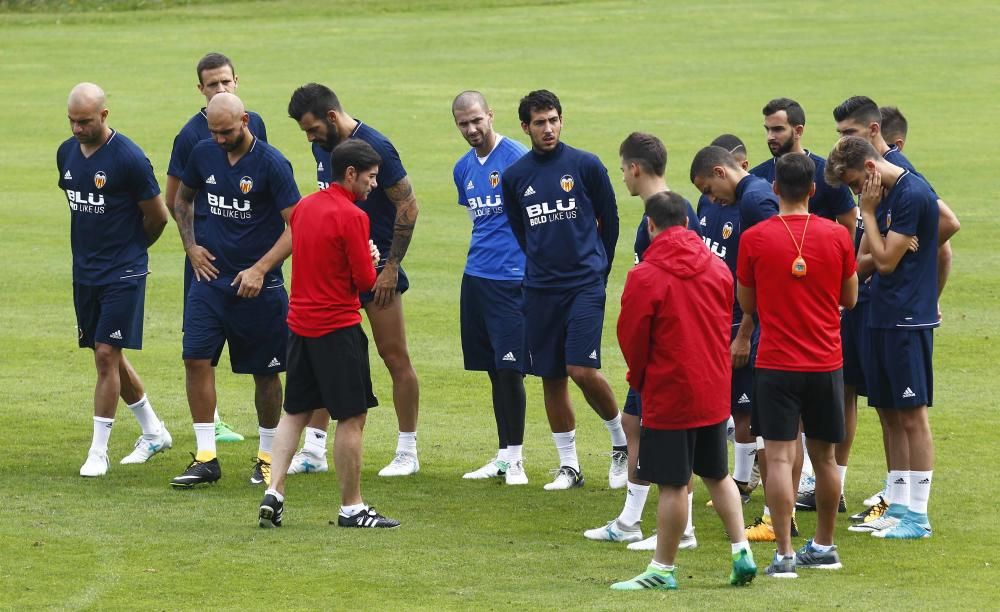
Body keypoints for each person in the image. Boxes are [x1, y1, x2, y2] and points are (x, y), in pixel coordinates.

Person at [611, 192, 756, 590]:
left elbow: (632, 336)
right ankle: (741, 550)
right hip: (712, 388)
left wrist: (640, 377)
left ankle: (662, 569)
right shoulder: (717, 267)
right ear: (689, 224)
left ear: (650, 226)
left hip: (671, 390)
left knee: (674, 484)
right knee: (718, 474)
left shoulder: (644, 275)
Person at [259, 139, 399, 529]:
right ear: (350, 173)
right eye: (370, 178)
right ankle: (352, 507)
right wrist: (371, 259)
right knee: (352, 417)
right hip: (337, 329)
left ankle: (274, 491)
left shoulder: (305, 207)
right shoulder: (353, 217)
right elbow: (365, 281)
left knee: (294, 413)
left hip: (299, 327)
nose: (373, 186)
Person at [286, 83, 422, 477]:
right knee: (327, 359)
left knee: (394, 356)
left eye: (312, 129)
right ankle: (313, 450)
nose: (310, 139)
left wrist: (391, 267)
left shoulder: (377, 146)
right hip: (334, 272)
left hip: (377, 269)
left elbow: (408, 205)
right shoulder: (323, 147)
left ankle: (407, 451)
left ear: (331, 117)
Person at [832, 96, 958, 520]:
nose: (855, 194)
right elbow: (867, 258)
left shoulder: (905, 187)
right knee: (888, 409)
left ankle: (914, 513)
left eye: (849, 132)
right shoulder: (881, 188)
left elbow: (939, 231)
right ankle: (896, 502)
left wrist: (906, 259)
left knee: (909, 413)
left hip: (905, 311)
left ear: (872, 135)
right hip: (879, 309)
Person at [169, 93, 300, 488]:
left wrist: (261, 269)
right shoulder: (203, 153)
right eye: (214, 131)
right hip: (210, 283)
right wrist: (191, 246)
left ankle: (266, 456)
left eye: (226, 131)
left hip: (259, 289)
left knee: (265, 373)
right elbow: (182, 200)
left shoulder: (273, 164)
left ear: (244, 120)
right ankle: (207, 457)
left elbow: (298, 226)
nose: (220, 139)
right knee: (195, 359)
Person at [737, 152, 858, 577]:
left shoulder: (754, 238)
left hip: (775, 363)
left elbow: (747, 303)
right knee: (823, 459)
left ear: (774, 190)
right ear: (812, 190)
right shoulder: (838, 236)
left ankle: (784, 553)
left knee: (780, 455)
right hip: (825, 361)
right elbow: (850, 298)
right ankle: (825, 545)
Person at [501, 89, 627, 490]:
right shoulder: (516, 176)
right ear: (526, 127)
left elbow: (610, 216)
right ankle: (569, 466)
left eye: (554, 119)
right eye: (540, 122)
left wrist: (599, 268)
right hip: (539, 289)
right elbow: (522, 230)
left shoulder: (585, 165)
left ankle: (621, 444)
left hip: (585, 284)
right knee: (551, 376)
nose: (548, 128)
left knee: (582, 369)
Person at [585, 132, 700, 548]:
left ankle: (682, 530)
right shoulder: (664, 210)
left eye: (623, 170)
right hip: (657, 350)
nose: (623, 179)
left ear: (635, 168)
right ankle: (630, 520)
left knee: (672, 435)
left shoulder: (670, 213)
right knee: (634, 424)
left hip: (669, 351)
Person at [748, 97, 856, 514]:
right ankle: (813, 535)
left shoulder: (827, 177)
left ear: (799, 129)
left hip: (789, 342)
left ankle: (784, 542)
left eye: (778, 129)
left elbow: (748, 294)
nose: (772, 136)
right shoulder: (761, 175)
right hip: (817, 342)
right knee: (808, 445)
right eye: (767, 130)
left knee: (782, 446)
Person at [58, 83, 171, 477]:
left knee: (106, 354)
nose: (76, 129)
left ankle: (98, 452)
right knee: (108, 354)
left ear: (104, 116)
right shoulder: (66, 153)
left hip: (123, 270)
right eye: (72, 121)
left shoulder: (128, 158)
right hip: (85, 271)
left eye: (84, 121)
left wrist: (133, 252)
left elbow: (157, 216)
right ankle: (154, 431)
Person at [165, 52, 269, 444]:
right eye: (212, 84)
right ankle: (213, 427)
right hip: (207, 261)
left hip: (248, 258)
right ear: (200, 89)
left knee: (262, 357)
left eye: (226, 82)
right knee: (200, 350)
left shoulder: (254, 123)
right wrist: (192, 248)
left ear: (236, 81)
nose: (220, 89)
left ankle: (268, 447)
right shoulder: (191, 135)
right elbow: (175, 198)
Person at [690, 137, 780, 523]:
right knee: (750, 414)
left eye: (710, 190)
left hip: (754, 326)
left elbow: (769, 272)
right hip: (736, 320)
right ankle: (760, 498)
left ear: (720, 171)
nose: (712, 199)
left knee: (766, 423)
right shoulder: (748, 196)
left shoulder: (756, 201)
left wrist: (746, 331)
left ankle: (778, 514)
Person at [451, 91, 530, 485]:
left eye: (476, 120)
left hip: (512, 279)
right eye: (463, 123)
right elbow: (481, 222)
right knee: (493, 370)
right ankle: (502, 454)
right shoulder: (462, 169)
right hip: (477, 276)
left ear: (490, 116)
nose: (471, 129)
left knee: (511, 368)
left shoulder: (516, 159)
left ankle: (516, 458)